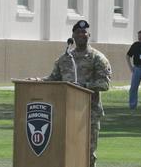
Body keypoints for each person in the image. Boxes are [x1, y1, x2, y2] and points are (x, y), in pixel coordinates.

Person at [30, 20, 112, 167]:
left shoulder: (97, 58)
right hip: (65, 114)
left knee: (88, 153)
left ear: (89, 35)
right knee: (65, 151)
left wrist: (82, 86)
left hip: (88, 114)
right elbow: (53, 80)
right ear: (73, 36)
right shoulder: (65, 59)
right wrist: (38, 81)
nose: (82, 35)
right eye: (78, 33)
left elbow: (104, 84)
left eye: (84, 33)